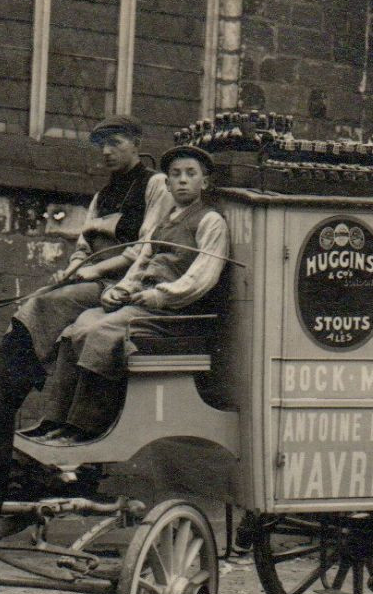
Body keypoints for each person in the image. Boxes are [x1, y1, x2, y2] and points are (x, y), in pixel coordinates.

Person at [27, 145, 229, 443]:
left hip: (173, 313)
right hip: (143, 304)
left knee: (103, 333)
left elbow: (202, 276)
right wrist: (120, 290)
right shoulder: (164, 222)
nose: (183, 180)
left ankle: (86, 428)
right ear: (167, 183)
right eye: (175, 175)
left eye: (191, 174)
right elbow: (141, 264)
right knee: (77, 328)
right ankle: (56, 420)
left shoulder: (210, 221)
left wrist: (162, 295)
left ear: (205, 182)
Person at [7, 115, 170, 420]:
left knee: (45, 304)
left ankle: (10, 391)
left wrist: (94, 271)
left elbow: (146, 248)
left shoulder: (156, 185)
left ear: (135, 145)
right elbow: (83, 246)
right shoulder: (102, 195)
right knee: (35, 301)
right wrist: (71, 270)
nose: (106, 151)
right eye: (102, 145)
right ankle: (11, 386)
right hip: (92, 279)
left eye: (115, 143)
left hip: (122, 284)